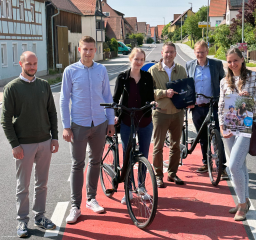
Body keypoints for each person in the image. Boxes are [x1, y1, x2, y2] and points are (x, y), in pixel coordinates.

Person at [1, 51, 59, 238]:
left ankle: (40, 216)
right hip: (23, 145)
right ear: (21, 64)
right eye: (28, 64)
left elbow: (52, 113)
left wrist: (55, 137)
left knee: (42, 183)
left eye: (35, 64)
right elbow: (5, 120)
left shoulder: (44, 85)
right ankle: (22, 221)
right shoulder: (12, 88)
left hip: (44, 141)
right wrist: (14, 145)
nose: (32, 67)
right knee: (23, 186)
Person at [60, 36, 115, 224]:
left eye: (91, 49)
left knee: (96, 161)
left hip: (99, 123)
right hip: (78, 125)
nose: (88, 52)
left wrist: (110, 122)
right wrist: (66, 126)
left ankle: (91, 199)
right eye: (85, 49)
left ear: (95, 51)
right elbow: (64, 100)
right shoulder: (70, 71)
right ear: (79, 50)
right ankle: (75, 205)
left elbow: (107, 96)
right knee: (77, 164)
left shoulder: (101, 70)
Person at [219, 47, 256, 221]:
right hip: (229, 124)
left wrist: (250, 99)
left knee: (233, 165)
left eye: (235, 60)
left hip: (247, 123)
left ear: (242, 59)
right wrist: (221, 125)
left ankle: (241, 205)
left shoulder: (254, 76)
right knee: (240, 166)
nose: (233, 64)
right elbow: (220, 105)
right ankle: (244, 200)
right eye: (230, 61)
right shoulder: (224, 81)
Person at [113, 48, 155, 204]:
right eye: (136, 59)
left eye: (141, 59)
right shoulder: (122, 77)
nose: (139, 62)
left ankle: (142, 187)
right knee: (128, 155)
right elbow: (115, 99)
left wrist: (152, 103)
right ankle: (128, 189)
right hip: (126, 121)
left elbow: (150, 97)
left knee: (143, 155)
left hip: (144, 120)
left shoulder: (147, 77)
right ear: (130, 59)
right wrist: (116, 114)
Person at [185, 40, 228, 179]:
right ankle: (206, 162)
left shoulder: (216, 65)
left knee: (216, 135)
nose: (200, 54)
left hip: (213, 105)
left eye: (202, 52)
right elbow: (187, 85)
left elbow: (224, 82)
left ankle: (222, 167)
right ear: (194, 52)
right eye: (198, 52)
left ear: (207, 52)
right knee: (202, 137)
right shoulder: (189, 65)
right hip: (197, 107)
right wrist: (188, 101)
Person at [149, 42, 187, 187]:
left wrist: (189, 100)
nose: (169, 55)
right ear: (162, 53)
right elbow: (148, 93)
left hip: (178, 113)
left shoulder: (181, 70)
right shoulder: (153, 71)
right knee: (158, 146)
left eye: (171, 52)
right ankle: (158, 176)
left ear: (175, 53)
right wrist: (164, 93)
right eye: (166, 52)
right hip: (161, 113)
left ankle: (172, 173)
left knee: (176, 145)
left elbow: (186, 89)